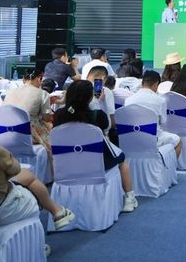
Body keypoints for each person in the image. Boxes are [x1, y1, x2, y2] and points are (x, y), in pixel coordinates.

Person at [0, 102, 75, 242]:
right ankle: (55, 213)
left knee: (26, 177)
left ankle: (57, 211)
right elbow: (15, 169)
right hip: (1, 211)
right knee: (29, 178)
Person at [52, 81, 137, 213]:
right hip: (95, 161)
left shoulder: (59, 115)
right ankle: (130, 197)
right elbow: (108, 127)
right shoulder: (97, 115)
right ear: (90, 97)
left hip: (68, 162)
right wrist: (99, 102)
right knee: (122, 160)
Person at [124, 70, 182, 158]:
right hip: (154, 139)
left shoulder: (128, 100)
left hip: (132, 137)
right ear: (156, 84)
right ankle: (168, 165)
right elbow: (163, 122)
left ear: (142, 83)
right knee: (178, 141)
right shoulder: (160, 101)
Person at [3, 68, 52, 149]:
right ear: (39, 79)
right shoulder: (43, 94)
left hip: (7, 131)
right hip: (29, 134)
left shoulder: (9, 92)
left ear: (23, 79)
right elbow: (46, 118)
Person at [86, 66, 117, 143]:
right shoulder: (105, 91)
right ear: (103, 78)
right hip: (99, 137)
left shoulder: (76, 87)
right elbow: (110, 120)